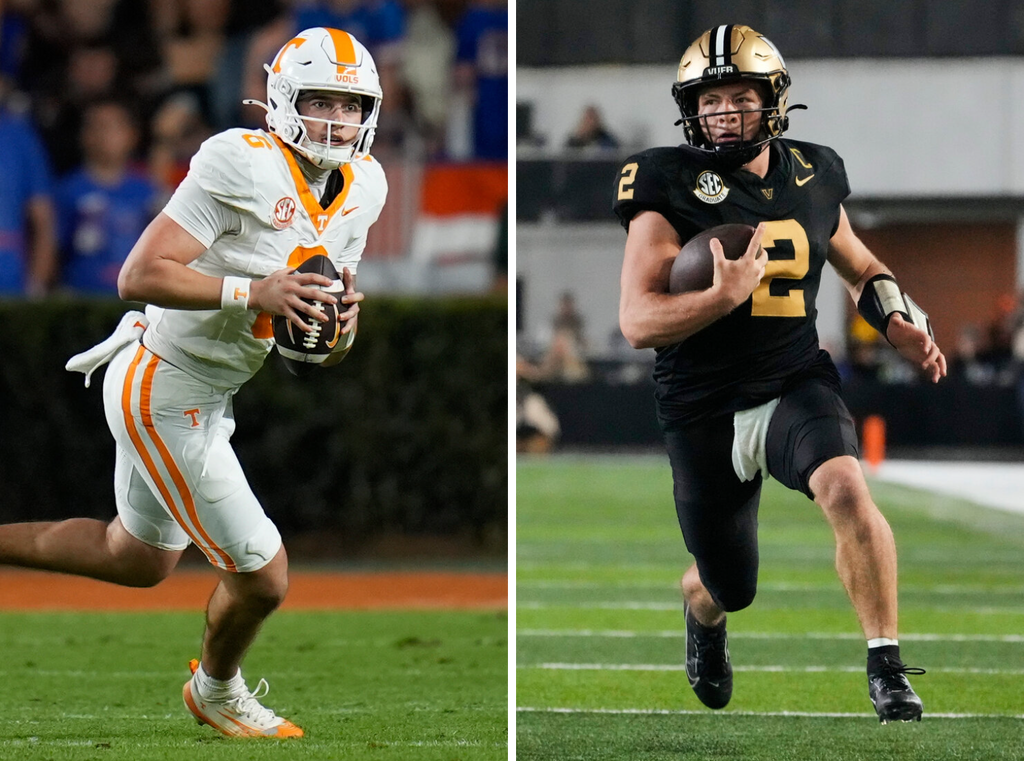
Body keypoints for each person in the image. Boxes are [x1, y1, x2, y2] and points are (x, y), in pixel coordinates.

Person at [0, 26, 387, 737]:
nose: (337, 120)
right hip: (163, 385)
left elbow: (318, 343)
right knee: (265, 575)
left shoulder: (367, 186)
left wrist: (337, 331)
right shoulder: (240, 161)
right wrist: (250, 293)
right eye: (321, 100)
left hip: (205, 393)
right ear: (281, 100)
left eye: (351, 104)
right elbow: (137, 275)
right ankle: (217, 688)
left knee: (136, 557)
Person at [613, 24, 946, 723]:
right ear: (689, 108)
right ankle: (701, 610)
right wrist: (718, 298)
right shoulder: (663, 178)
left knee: (849, 491)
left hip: (794, 381)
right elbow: (638, 320)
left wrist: (898, 321)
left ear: (774, 100)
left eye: (740, 96)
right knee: (729, 585)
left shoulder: (814, 171)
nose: (725, 112)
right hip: (701, 404)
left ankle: (887, 666)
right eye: (710, 99)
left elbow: (861, 264)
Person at [55, 98, 161, 295]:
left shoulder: (148, 191)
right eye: (98, 127)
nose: (105, 135)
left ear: (132, 135)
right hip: (80, 298)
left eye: (114, 127)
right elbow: (54, 249)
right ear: (84, 135)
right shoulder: (68, 190)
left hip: (136, 298)